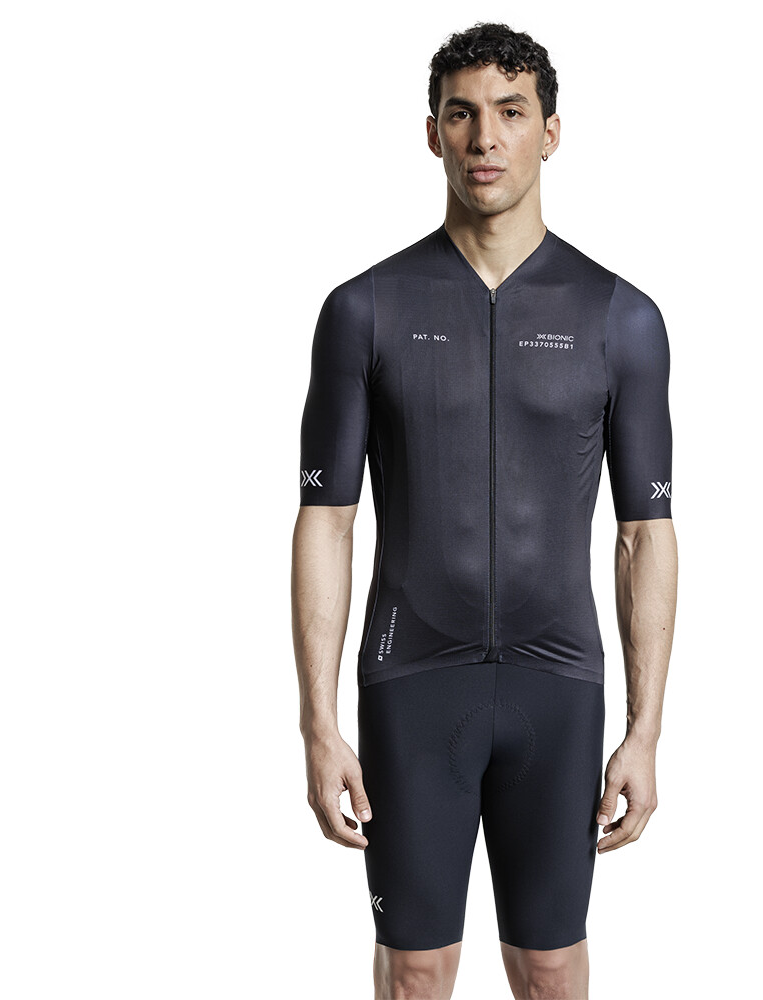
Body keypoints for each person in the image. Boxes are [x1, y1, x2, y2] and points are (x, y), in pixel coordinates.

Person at [290, 21, 678, 1000]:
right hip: (413, 682)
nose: (485, 138)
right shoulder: (364, 309)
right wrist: (317, 725)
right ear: (432, 134)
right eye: (461, 115)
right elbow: (326, 520)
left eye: (510, 112)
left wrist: (645, 730)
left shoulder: (620, 317)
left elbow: (645, 534)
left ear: (552, 131)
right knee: (417, 973)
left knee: (549, 969)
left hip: (558, 685)